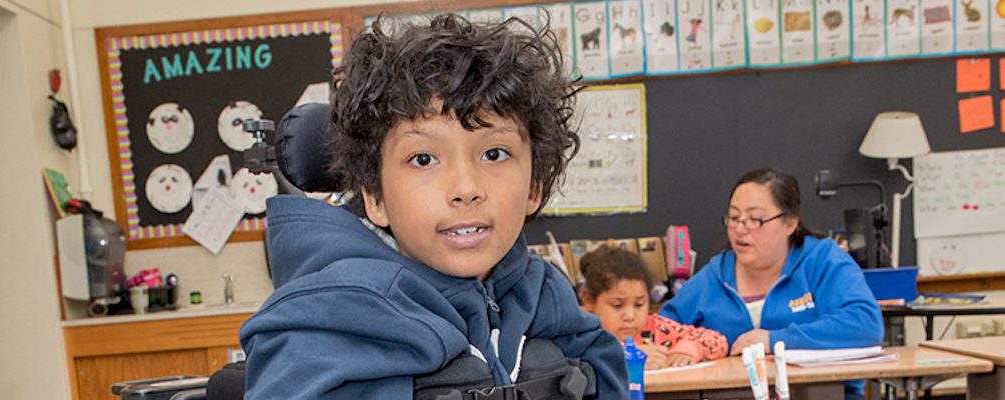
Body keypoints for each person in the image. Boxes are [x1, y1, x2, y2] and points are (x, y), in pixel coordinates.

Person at [239, 13, 627, 399]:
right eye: (423, 159)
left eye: (494, 153)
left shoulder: (547, 297)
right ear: (375, 198)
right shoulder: (321, 327)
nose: (465, 188)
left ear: (534, 186)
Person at [659, 167, 883, 400]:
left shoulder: (822, 261)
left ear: (789, 223)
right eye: (734, 218)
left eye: (755, 220)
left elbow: (866, 325)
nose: (739, 229)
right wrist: (681, 347)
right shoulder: (714, 277)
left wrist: (774, 340)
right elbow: (659, 331)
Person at [580, 246, 728, 370]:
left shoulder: (657, 329)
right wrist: (630, 358)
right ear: (588, 299)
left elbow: (717, 339)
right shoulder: (583, 336)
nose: (630, 316)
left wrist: (690, 349)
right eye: (617, 305)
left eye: (639, 304)